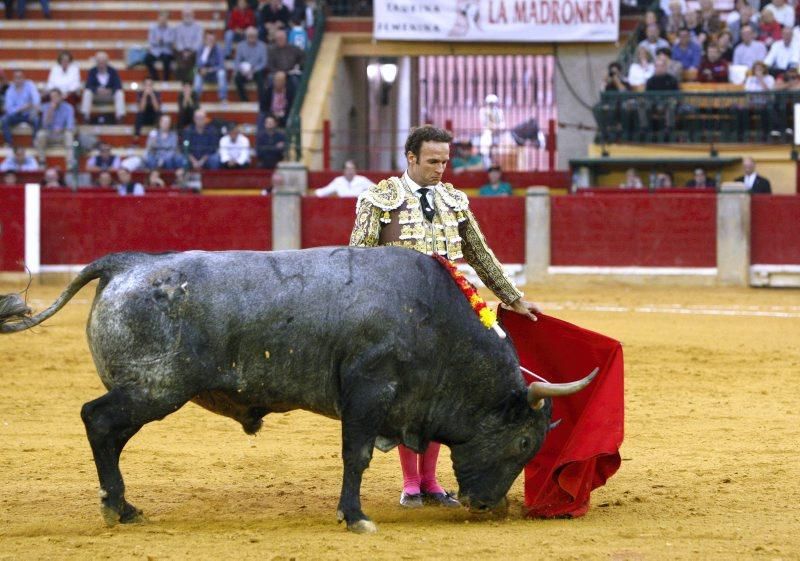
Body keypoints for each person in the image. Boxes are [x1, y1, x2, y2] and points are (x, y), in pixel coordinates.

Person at [348, 125, 538, 509]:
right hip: (398, 315)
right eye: (433, 161)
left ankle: (432, 481)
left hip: (451, 314)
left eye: (445, 161)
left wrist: (513, 299)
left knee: (442, 399)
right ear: (411, 158)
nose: (441, 169)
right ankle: (410, 483)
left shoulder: (454, 200)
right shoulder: (380, 199)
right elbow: (357, 261)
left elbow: (480, 254)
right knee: (407, 398)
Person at [34, 88, 75, 168]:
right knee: (40, 134)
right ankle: (42, 161)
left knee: (69, 135)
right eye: (52, 97)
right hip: (49, 134)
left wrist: (62, 129)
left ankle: (70, 163)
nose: (54, 99)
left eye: (56, 96)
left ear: (61, 97)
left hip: (62, 135)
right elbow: (45, 124)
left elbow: (70, 126)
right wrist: (51, 110)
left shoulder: (68, 108)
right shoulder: (46, 107)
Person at [81, 51, 126, 124]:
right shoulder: (92, 71)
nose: (101, 63)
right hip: (96, 96)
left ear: (107, 62)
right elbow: (88, 85)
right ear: (96, 62)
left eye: (103, 61)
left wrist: (110, 90)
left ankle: (120, 117)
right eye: (99, 61)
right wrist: (97, 90)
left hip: (109, 96)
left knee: (119, 93)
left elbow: (118, 86)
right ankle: (85, 117)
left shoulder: (113, 71)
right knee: (87, 92)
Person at [2, 69, 40, 147]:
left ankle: (33, 143)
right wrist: (22, 108)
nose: (18, 79)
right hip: (16, 115)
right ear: (13, 79)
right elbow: (9, 110)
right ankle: (10, 143)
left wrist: (34, 106)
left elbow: (36, 99)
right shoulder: (10, 90)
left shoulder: (30, 84)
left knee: (37, 119)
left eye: (20, 77)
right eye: (16, 77)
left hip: (29, 113)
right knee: (4, 120)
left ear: (23, 78)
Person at [234, 26, 268, 102]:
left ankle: (262, 100)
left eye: (253, 36)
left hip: (256, 70)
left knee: (261, 78)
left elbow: (264, 62)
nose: (252, 38)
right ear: (246, 36)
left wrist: (253, 70)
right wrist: (242, 70)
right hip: (244, 71)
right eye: (250, 36)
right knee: (237, 78)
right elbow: (237, 62)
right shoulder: (240, 46)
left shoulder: (262, 46)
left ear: (257, 36)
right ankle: (244, 99)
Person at [193, 32, 228, 102]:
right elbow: (197, 66)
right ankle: (196, 99)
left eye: (212, 40)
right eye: (209, 40)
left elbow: (221, 66)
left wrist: (210, 70)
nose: (210, 42)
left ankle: (223, 98)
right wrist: (206, 52)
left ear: (215, 41)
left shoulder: (219, 49)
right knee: (196, 73)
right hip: (204, 75)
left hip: (214, 74)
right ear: (205, 40)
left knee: (222, 73)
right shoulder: (200, 49)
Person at [144, 10, 175, 81]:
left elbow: (171, 40)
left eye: (164, 19)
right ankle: (155, 78)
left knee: (167, 60)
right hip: (156, 51)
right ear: (158, 19)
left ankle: (165, 79)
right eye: (161, 19)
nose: (162, 21)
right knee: (147, 59)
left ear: (167, 20)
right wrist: (162, 41)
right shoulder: (153, 29)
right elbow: (151, 40)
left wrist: (161, 40)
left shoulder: (171, 29)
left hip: (166, 51)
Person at [174, 8, 204, 83]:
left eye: (189, 14)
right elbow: (178, 41)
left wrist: (190, 51)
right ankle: (182, 82)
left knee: (194, 59)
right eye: (186, 14)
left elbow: (199, 41)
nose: (187, 16)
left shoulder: (198, 27)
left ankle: (191, 80)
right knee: (180, 60)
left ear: (193, 15)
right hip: (182, 52)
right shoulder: (178, 27)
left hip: (194, 51)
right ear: (182, 16)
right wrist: (184, 51)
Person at [478, 93, 505, 166]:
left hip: (499, 132)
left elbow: (502, 123)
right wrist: (493, 126)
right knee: (486, 140)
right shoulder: (483, 111)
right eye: (490, 103)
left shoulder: (499, 112)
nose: (492, 105)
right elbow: (485, 123)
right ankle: (485, 157)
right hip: (488, 131)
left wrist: (498, 127)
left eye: (493, 103)